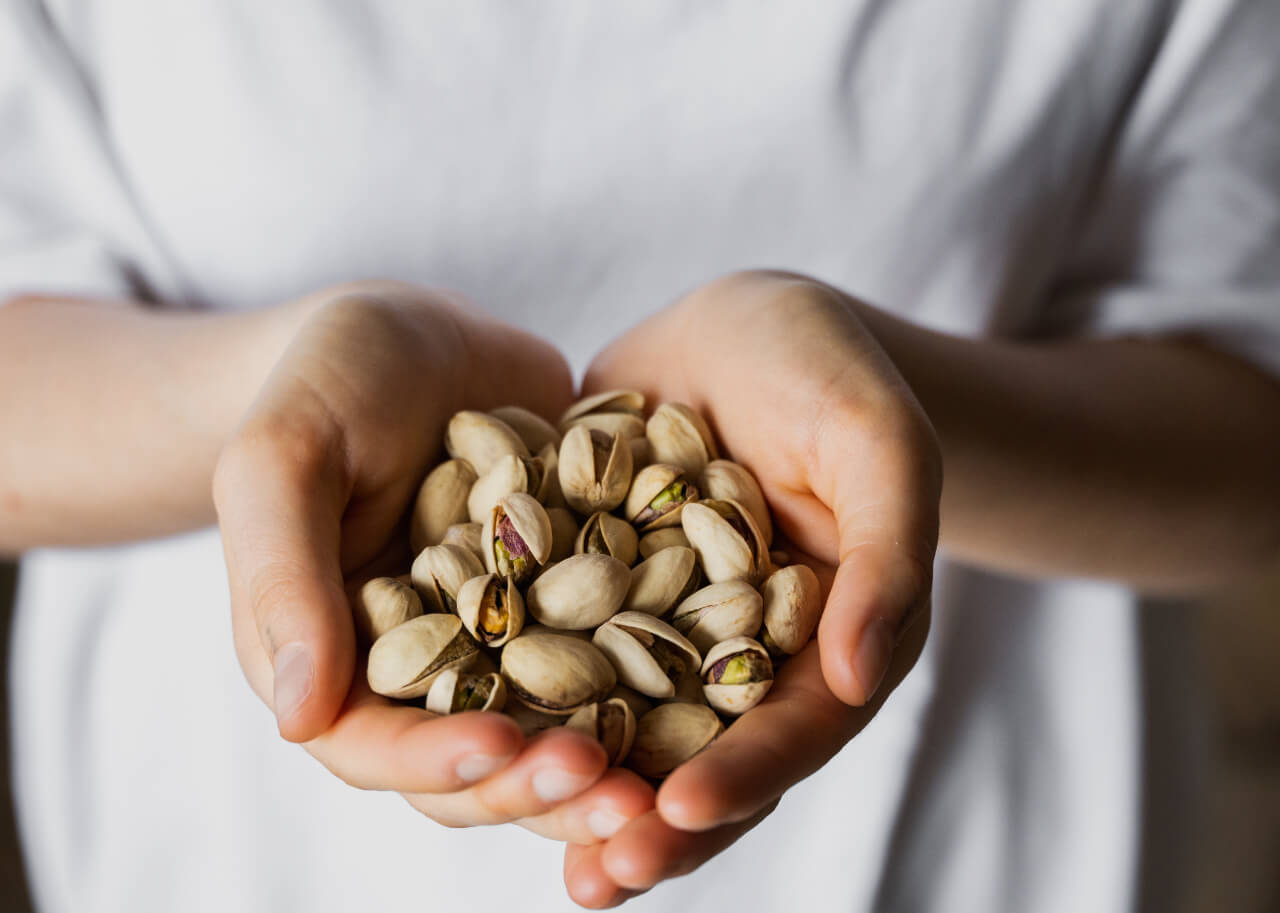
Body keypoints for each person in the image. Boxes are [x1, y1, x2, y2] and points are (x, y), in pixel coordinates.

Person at [2, 2, 1278, 910]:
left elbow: (1250, 433)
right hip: (239, 854)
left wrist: (894, 419)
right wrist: (272, 406)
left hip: (979, 841)